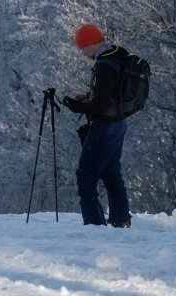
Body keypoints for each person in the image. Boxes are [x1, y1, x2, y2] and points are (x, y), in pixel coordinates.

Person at [62, 24, 132, 228]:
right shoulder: (117, 56)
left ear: (91, 43)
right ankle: (120, 220)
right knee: (111, 172)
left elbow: (101, 104)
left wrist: (78, 107)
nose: (81, 52)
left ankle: (94, 225)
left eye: (82, 47)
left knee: (86, 174)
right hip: (119, 123)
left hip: (105, 126)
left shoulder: (104, 64)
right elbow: (109, 94)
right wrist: (87, 98)